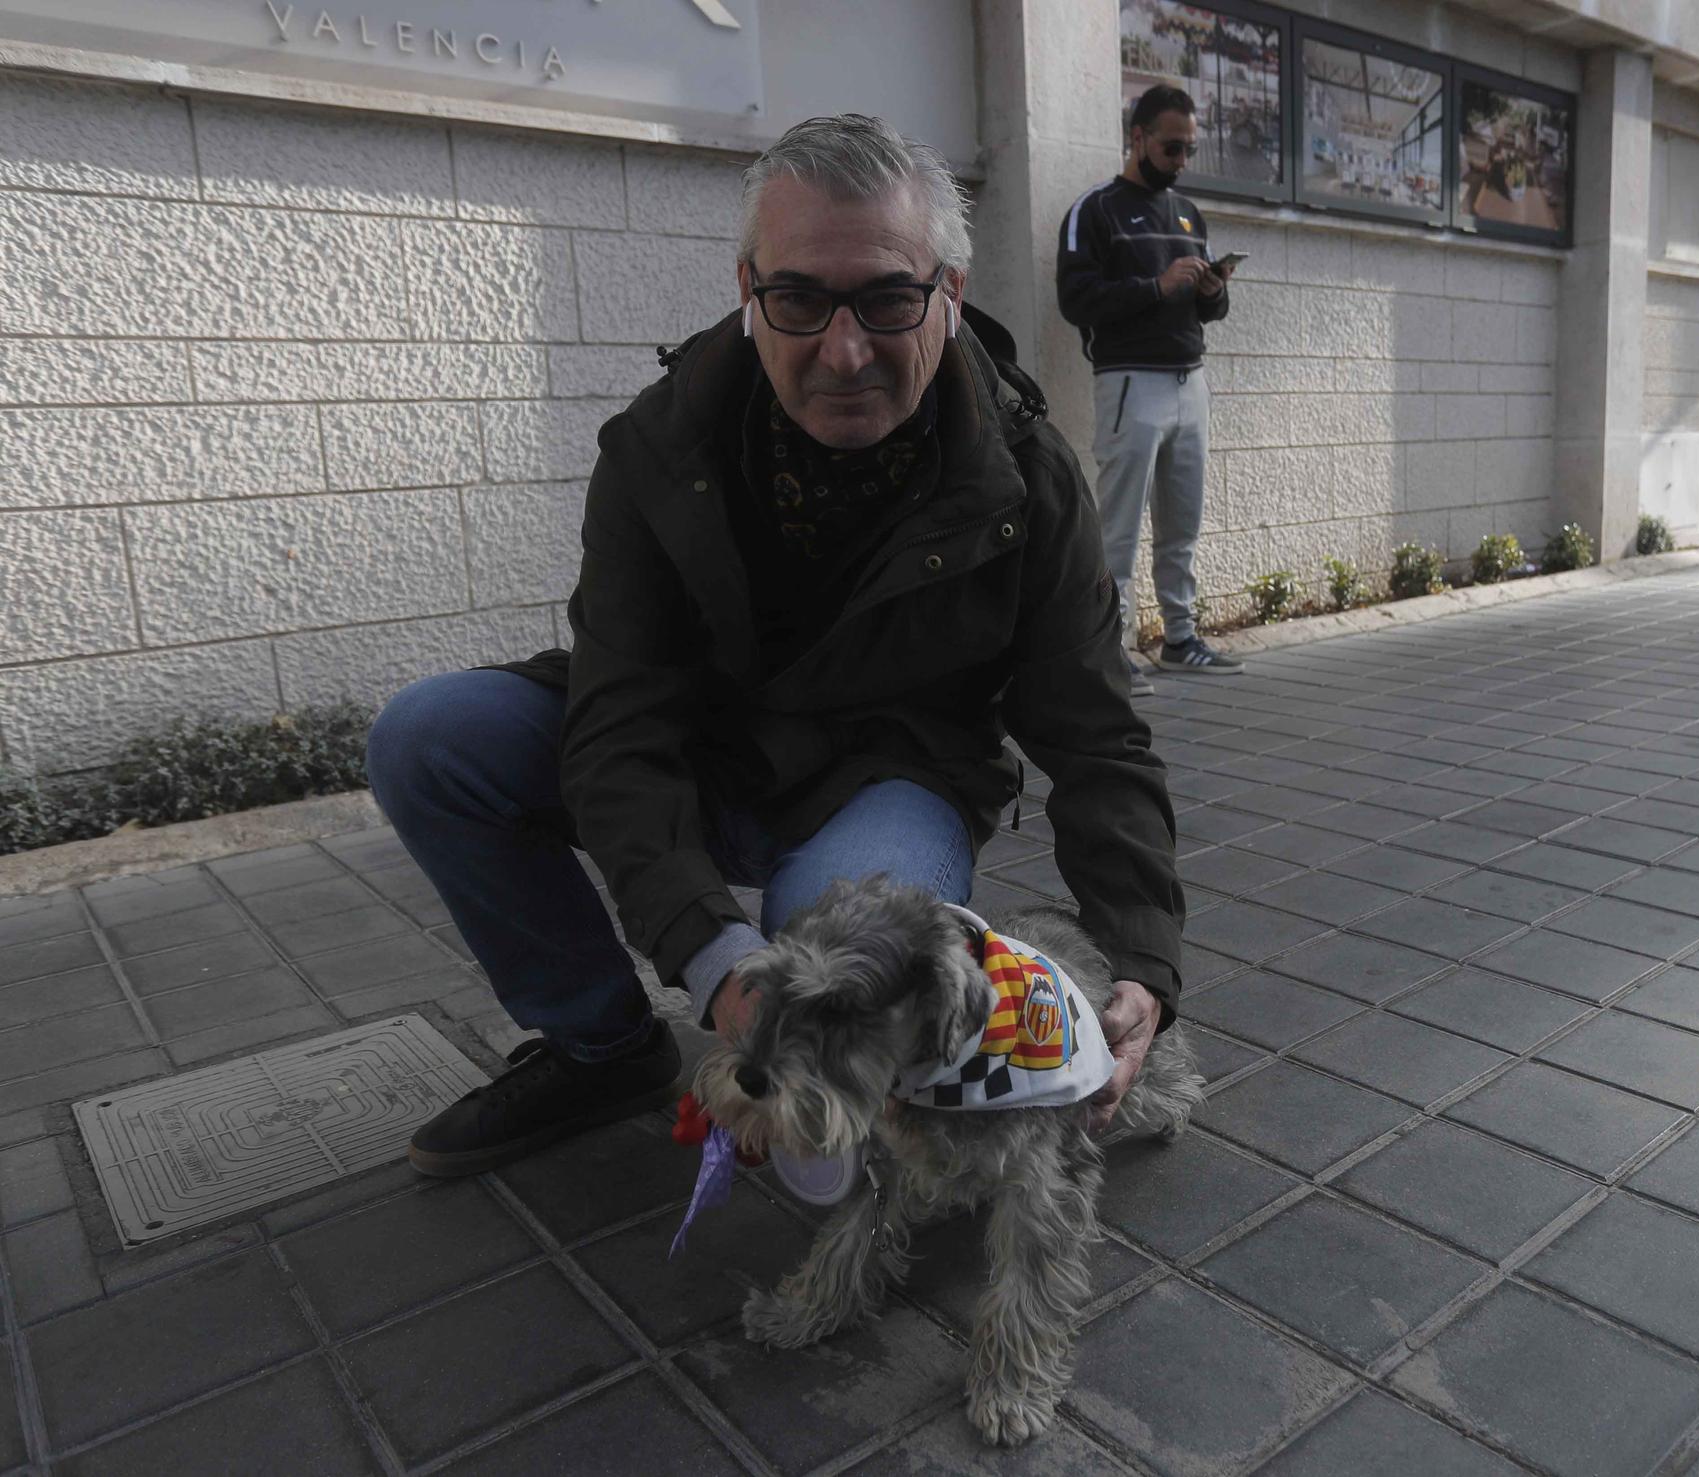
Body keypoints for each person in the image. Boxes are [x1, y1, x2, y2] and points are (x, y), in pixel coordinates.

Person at [366, 115, 1184, 1177]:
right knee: (431, 737)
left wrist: (1137, 960)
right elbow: (619, 720)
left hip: (887, 780)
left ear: (950, 289)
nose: (843, 353)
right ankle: (602, 1046)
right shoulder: (659, 448)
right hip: (706, 758)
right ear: (747, 288)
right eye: (797, 299)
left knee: (822, 1068)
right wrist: (712, 962)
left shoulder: (1025, 478)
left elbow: (1095, 736)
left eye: (888, 298)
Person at [1058, 83, 1243, 697]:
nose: (1181, 161)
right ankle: (1112, 651)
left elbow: (1210, 309)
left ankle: (1180, 639)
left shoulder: (1189, 213)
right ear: (1137, 138)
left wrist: (1213, 291)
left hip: (1191, 381)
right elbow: (1075, 300)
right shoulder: (1096, 211)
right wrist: (1157, 288)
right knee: (1118, 527)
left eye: (1189, 149)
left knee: (1182, 522)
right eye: (1171, 148)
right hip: (1130, 383)